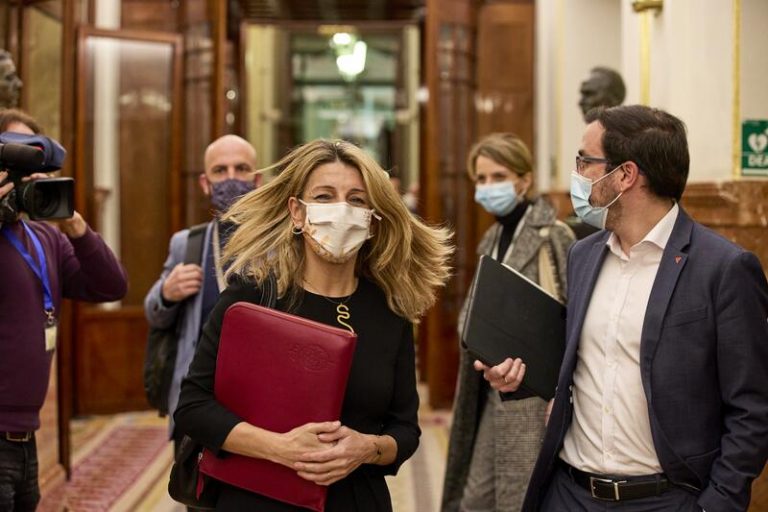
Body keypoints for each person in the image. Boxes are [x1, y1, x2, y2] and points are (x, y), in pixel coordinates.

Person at [478, 105, 768, 511]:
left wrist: (716, 504)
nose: (577, 174)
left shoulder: (723, 268)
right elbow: (579, 366)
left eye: (585, 161)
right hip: (569, 493)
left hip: (663, 499)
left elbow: (753, 408)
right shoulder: (583, 255)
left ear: (625, 175)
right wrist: (518, 378)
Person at [174, 139, 453, 510]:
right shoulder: (253, 296)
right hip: (257, 498)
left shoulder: (390, 311)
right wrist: (280, 448)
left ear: (372, 218)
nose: (341, 209)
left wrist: (367, 448)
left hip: (356, 500)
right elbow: (193, 406)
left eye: (356, 200)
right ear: (297, 212)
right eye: (324, 196)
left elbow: (405, 430)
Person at [0, 111, 127, 511]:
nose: (24, 177)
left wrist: (76, 228)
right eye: (13, 162)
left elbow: (110, 286)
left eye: (32, 165)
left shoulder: (44, 237)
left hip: (25, 439)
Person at [441, 133, 575, 512]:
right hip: (491, 392)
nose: (488, 187)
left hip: (533, 399)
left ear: (524, 180)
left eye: (498, 176)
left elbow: (571, 317)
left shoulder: (554, 236)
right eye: (481, 179)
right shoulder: (492, 237)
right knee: (474, 500)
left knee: (520, 501)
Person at [144, 134, 260, 448]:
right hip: (196, 398)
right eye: (220, 171)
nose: (231, 179)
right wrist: (167, 294)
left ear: (257, 180)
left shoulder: (278, 244)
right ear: (205, 183)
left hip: (257, 398)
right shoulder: (187, 243)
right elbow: (154, 313)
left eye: (241, 169)